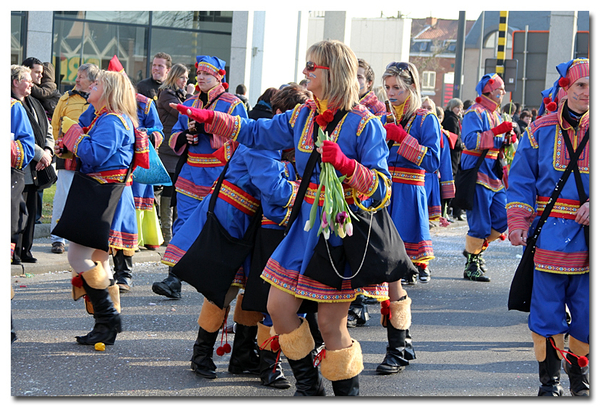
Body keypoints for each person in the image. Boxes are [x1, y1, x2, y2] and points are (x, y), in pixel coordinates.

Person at [172, 40, 393, 396]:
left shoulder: (365, 126)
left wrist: (347, 166)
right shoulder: (303, 114)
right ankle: (309, 385)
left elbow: (382, 190)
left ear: (333, 72)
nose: (305, 72)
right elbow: (258, 133)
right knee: (277, 306)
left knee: (330, 325)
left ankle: (344, 393)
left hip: (337, 235)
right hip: (301, 231)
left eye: (312, 66)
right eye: (306, 65)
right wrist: (211, 119)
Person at [507, 58, 589, 397]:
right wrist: (516, 222)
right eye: (581, 85)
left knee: (587, 314)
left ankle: (580, 376)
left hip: (589, 239)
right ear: (566, 88)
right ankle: (549, 382)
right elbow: (522, 180)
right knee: (546, 312)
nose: (587, 92)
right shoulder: (539, 130)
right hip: (548, 237)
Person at [151, 55, 248, 300]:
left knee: (218, 228)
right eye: (199, 73)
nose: (201, 77)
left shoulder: (233, 104)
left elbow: (242, 140)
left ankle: (223, 281)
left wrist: (208, 130)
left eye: (207, 73)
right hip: (190, 173)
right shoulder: (190, 102)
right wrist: (185, 137)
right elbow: (174, 134)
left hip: (219, 176)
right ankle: (174, 279)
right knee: (182, 225)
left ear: (219, 77)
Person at [57, 69, 141, 345]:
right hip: (102, 194)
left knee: (77, 257)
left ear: (109, 91)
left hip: (100, 195)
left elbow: (95, 154)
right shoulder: (108, 118)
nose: (91, 86)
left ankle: (109, 318)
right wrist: (70, 144)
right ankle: (105, 326)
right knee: (99, 262)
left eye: (97, 83)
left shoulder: (113, 120)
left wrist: (74, 137)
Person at [382, 63, 440, 285]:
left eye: (396, 87)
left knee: (403, 246)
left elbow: (433, 161)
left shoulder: (426, 119)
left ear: (412, 86)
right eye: (387, 87)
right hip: (386, 189)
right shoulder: (383, 118)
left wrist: (403, 139)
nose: (391, 93)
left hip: (409, 190)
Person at [460, 73, 516, 282]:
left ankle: (475, 249)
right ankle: (472, 263)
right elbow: (470, 140)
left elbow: (497, 141)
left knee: (503, 216)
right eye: (500, 90)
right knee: (480, 221)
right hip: (477, 170)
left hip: (493, 170)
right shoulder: (475, 112)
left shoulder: (498, 114)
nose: (502, 94)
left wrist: (507, 139)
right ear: (489, 90)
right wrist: (497, 132)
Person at [347, 58, 386, 329]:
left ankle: (399, 340)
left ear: (369, 83)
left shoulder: (375, 114)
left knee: (382, 258)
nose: (355, 81)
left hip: (374, 192)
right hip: (345, 194)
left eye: (360, 77)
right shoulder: (341, 108)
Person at [49, 63, 100, 255]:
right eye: (77, 76)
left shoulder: (100, 100)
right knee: (62, 197)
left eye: (81, 76)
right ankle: (57, 239)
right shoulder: (66, 99)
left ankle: (80, 238)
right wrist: (60, 146)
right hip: (68, 156)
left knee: (86, 200)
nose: (77, 79)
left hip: (90, 157)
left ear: (93, 81)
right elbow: (55, 126)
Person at [11, 64, 54, 265]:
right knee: (16, 211)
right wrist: (39, 155)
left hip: (37, 165)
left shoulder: (36, 103)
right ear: (15, 82)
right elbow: (25, 139)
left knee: (30, 208)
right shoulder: (13, 105)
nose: (32, 84)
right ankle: (15, 252)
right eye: (27, 80)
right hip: (21, 166)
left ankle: (26, 250)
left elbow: (48, 129)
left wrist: (48, 151)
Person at [156, 63, 189, 245]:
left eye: (186, 78)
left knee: (177, 189)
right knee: (168, 189)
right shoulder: (167, 94)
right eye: (182, 77)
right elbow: (183, 112)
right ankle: (166, 233)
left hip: (178, 149)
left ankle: (174, 232)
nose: (185, 81)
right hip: (168, 150)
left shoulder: (181, 95)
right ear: (174, 77)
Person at [442, 98, 465, 221]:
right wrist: (461, 145)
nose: (459, 110)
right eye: (457, 107)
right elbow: (453, 137)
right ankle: (448, 210)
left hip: (454, 153)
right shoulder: (451, 119)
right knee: (451, 179)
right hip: (453, 153)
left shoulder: (454, 118)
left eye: (460, 108)